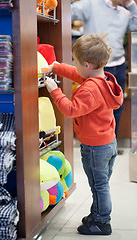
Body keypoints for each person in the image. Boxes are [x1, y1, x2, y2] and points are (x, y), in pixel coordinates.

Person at [45, 34, 123, 235]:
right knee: (101, 184)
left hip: (95, 148)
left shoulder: (89, 90)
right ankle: (97, 214)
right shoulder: (101, 80)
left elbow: (71, 110)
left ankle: (102, 222)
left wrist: (55, 91)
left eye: (76, 62)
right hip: (107, 142)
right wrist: (57, 67)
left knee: (99, 186)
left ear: (87, 64)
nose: (75, 65)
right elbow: (76, 74)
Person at [71, 0, 137, 142]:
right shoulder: (91, 4)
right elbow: (67, 12)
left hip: (118, 66)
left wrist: (131, 4)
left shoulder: (125, 13)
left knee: (117, 107)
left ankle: (111, 141)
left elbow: (135, 27)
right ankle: (94, 142)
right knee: (94, 109)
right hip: (95, 68)